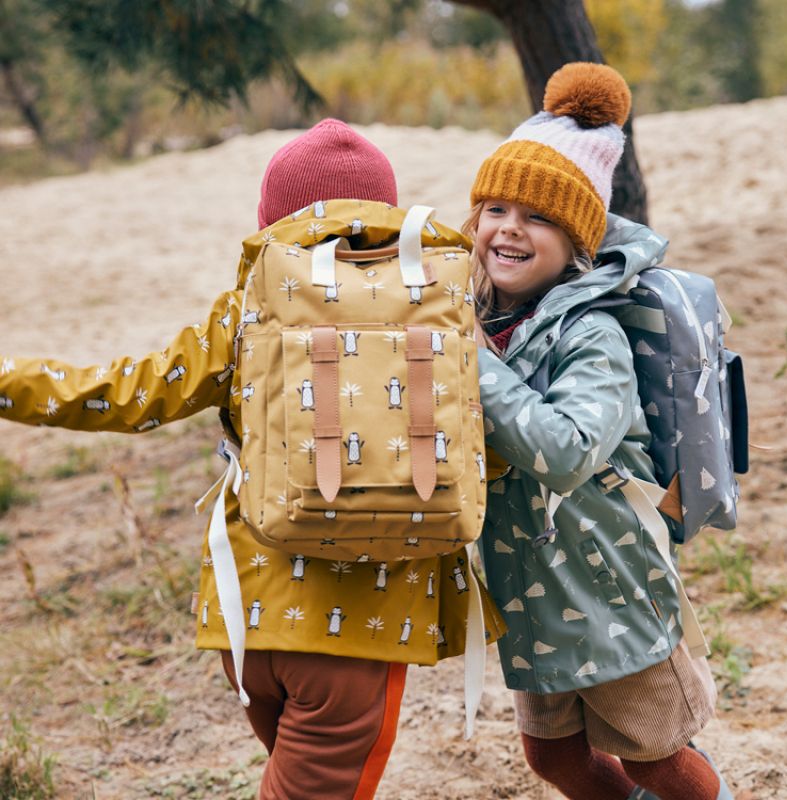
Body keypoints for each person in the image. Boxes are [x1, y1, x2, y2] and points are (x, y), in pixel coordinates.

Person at [0, 118, 504, 800]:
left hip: (249, 623)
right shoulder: (440, 311)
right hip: (365, 630)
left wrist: (10, 383)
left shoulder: (246, 310)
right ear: (386, 213)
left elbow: (128, 392)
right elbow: (489, 451)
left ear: (272, 221)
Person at [468, 63, 734, 800]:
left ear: (578, 237)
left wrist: (470, 363)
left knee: (657, 759)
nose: (509, 229)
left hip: (611, 588)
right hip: (531, 593)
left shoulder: (593, 334)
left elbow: (567, 450)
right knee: (552, 759)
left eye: (539, 216)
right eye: (494, 208)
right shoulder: (479, 314)